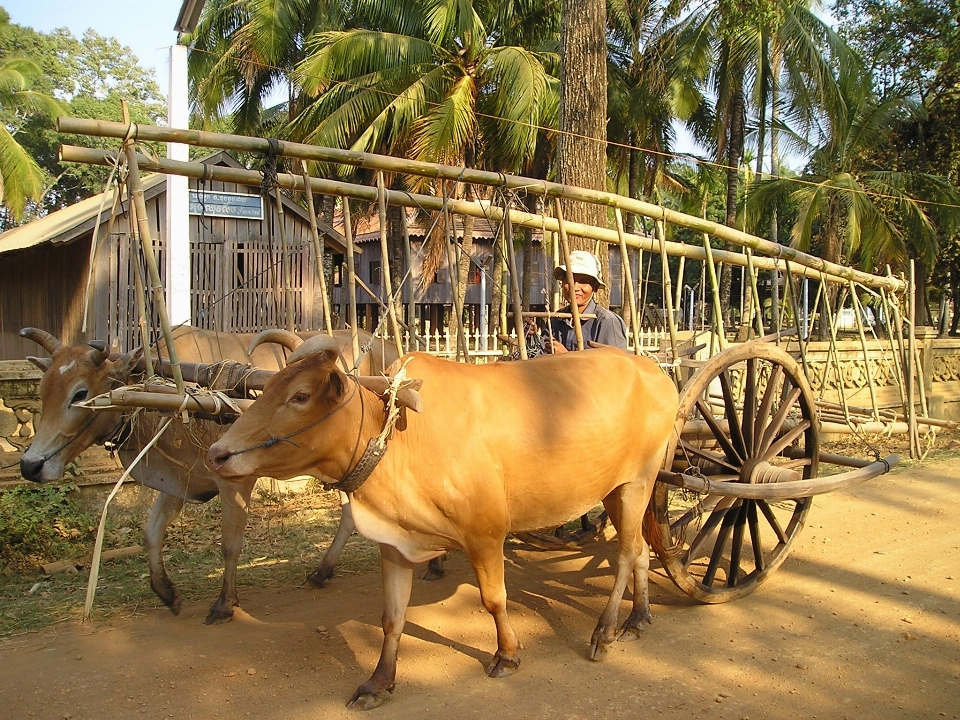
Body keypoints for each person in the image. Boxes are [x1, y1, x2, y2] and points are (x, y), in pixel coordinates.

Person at [548, 250, 628, 353]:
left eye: (583, 282)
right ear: (562, 283)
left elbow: (616, 365)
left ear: (594, 287)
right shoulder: (557, 319)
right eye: (569, 280)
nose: (575, 287)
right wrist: (532, 335)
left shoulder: (607, 322)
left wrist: (566, 356)